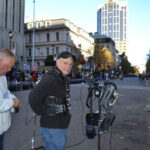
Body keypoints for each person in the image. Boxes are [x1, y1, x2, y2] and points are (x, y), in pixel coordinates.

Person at [29, 51, 76, 150]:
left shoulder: (61, 77)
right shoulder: (51, 78)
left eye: (70, 64)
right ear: (57, 62)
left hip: (57, 126)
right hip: (53, 127)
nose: (68, 67)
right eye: (65, 63)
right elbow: (33, 96)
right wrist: (39, 111)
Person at [0, 48, 20, 150]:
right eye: (8, 66)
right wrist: (13, 103)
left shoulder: (2, 77)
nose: (9, 69)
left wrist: (14, 100)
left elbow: (6, 94)